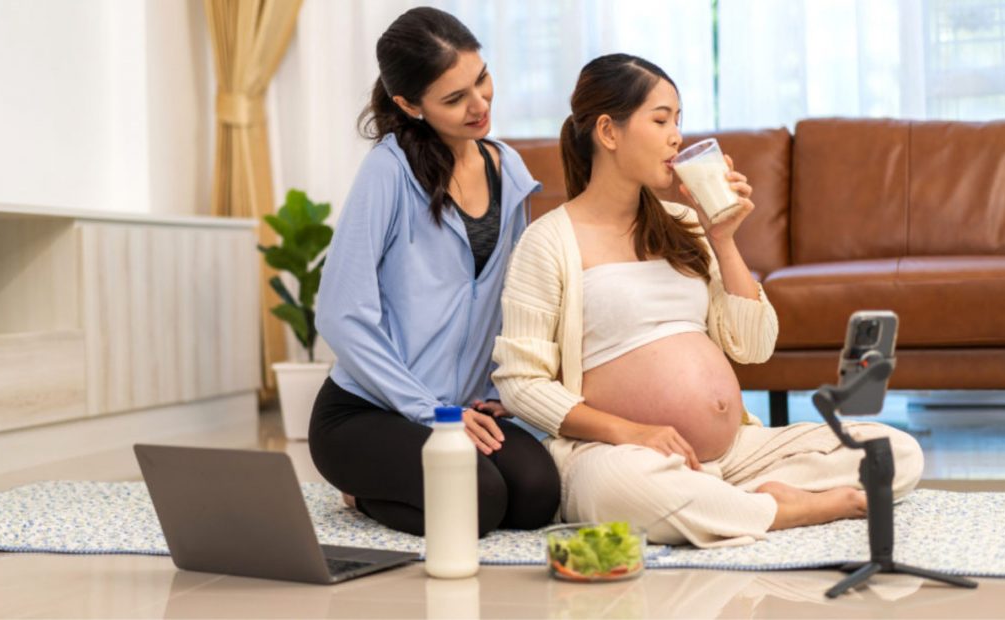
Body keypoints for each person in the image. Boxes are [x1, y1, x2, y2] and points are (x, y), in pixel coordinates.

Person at [492, 54, 924, 548]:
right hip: (616, 454)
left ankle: (726, 502)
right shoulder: (548, 240)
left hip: (737, 451)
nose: (676, 135)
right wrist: (630, 432)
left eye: (679, 120)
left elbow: (754, 346)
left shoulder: (687, 225)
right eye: (660, 120)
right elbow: (520, 383)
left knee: (898, 453)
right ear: (608, 132)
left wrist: (723, 238)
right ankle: (777, 507)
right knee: (624, 489)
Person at [309, 7, 560, 537]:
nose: (479, 105)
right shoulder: (387, 171)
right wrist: (424, 409)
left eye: (481, 79)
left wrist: (504, 389)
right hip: (367, 409)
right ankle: (360, 491)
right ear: (408, 104)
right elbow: (338, 313)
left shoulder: (508, 168)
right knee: (476, 503)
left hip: (460, 405)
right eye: (454, 98)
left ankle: (399, 481)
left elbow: (509, 299)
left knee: (537, 495)